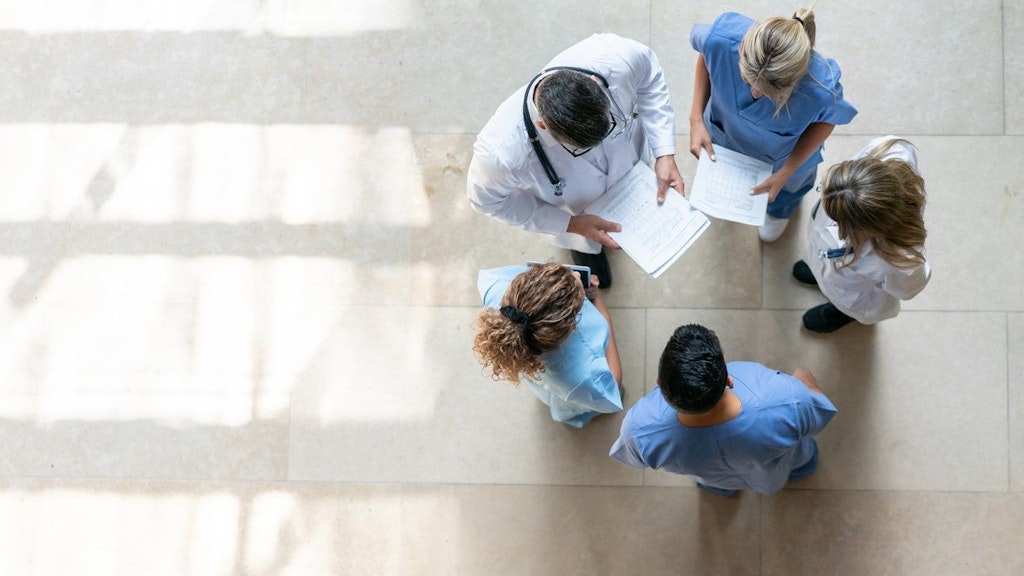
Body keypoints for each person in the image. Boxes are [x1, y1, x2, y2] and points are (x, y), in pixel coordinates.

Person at [467, 34, 684, 288]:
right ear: (542, 126)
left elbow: (650, 77)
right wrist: (570, 223)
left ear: (594, 83)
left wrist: (664, 152)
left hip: (633, 174)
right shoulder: (500, 153)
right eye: (580, 149)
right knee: (588, 251)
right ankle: (588, 254)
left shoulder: (614, 57)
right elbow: (486, 201)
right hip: (576, 213)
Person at [689, 7, 857, 242]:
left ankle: (779, 213)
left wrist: (786, 172)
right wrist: (696, 118)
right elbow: (707, 55)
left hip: (786, 161)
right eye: (747, 80)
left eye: (769, 92)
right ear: (741, 48)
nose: (755, 93)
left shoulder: (820, 89)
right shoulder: (722, 39)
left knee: (787, 191)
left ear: (796, 82)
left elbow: (828, 120)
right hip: (725, 134)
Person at [609, 324, 836, 496]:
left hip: (714, 478)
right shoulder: (788, 400)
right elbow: (820, 413)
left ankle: (724, 492)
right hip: (770, 476)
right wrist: (803, 379)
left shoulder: (638, 430)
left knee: (717, 485)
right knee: (799, 462)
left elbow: (630, 458)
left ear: (659, 382)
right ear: (728, 380)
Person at [793, 136, 930, 333]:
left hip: (852, 292)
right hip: (827, 254)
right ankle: (818, 271)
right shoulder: (889, 151)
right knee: (820, 253)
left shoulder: (901, 260)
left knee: (845, 298)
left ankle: (841, 313)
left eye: (838, 223)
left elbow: (906, 290)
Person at [474, 263, 623, 428]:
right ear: (569, 329)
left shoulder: (495, 285)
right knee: (578, 404)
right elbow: (612, 385)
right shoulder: (583, 374)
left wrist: (563, 284)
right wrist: (603, 313)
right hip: (569, 390)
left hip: (544, 380)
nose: (577, 275)